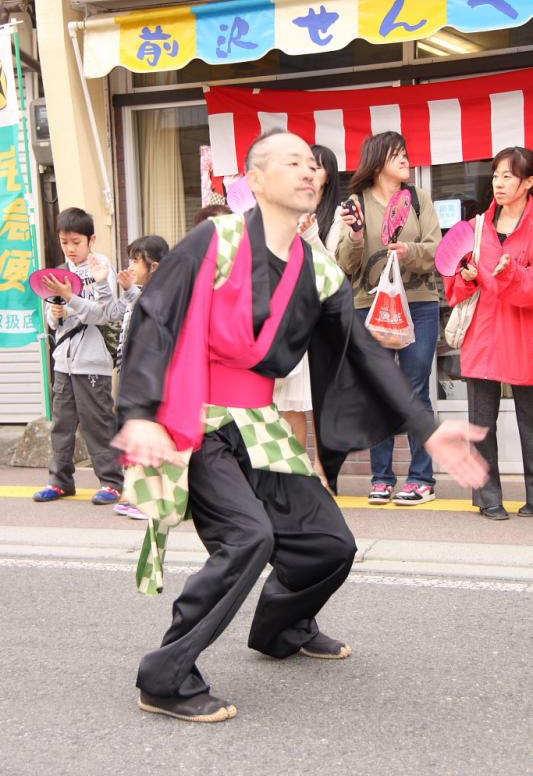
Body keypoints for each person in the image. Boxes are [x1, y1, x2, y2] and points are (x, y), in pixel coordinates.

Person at [113, 130, 487, 724]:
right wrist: (138, 413)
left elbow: (362, 350)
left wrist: (426, 424)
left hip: (259, 422)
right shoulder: (217, 239)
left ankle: (279, 628)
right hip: (199, 418)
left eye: (313, 164)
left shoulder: (318, 269)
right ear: (255, 181)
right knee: (248, 538)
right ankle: (164, 674)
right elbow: (155, 317)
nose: (308, 171)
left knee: (330, 545)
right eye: (291, 162)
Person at [337, 131, 441, 507]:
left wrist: (408, 250)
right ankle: (381, 478)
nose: (406, 159)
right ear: (378, 160)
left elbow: (437, 249)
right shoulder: (355, 204)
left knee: (415, 389)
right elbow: (344, 267)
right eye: (398, 154)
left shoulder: (418, 198)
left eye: (406, 153)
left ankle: (421, 478)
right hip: (370, 304)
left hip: (419, 303)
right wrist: (356, 235)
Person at [444, 146, 533, 521]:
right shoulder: (477, 226)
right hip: (482, 334)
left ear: (529, 182)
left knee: (530, 421)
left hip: (523, 334)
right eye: (496, 175)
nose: (499, 182)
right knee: (481, 422)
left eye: (508, 176)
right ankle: (487, 497)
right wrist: (465, 278)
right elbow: (455, 287)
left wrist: (511, 272)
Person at [33, 207, 123, 505]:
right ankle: (60, 481)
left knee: (97, 422)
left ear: (91, 239)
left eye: (76, 242)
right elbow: (51, 320)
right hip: (64, 362)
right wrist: (56, 313)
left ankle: (111, 481)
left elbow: (104, 315)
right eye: (64, 242)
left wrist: (71, 299)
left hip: (92, 362)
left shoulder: (101, 269)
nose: (70, 249)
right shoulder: (60, 272)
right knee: (62, 423)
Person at [274, 144, 343, 483]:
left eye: (316, 167)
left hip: (323, 318)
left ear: (328, 175)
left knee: (320, 401)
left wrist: (312, 235)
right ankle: (297, 472)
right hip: (291, 316)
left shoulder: (339, 213)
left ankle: (323, 469)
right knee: (290, 401)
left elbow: (335, 271)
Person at [88, 234, 170, 519]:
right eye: (131, 259)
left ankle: (152, 501)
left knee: (150, 436)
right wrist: (110, 284)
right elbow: (113, 313)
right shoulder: (142, 294)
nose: (131, 265)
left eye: (137, 260)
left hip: (150, 381)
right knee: (136, 436)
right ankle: (137, 495)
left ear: (155, 267)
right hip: (132, 375)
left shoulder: (163, 297)